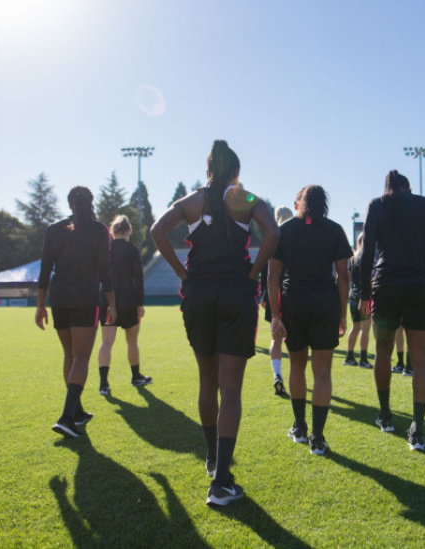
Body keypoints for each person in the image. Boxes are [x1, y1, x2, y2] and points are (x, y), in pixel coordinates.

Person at [150, 140, 278, 506]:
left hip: (199, 295)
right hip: (236, 293)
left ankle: (212, 461)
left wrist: (183, 274)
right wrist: (253, 273)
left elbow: (158, 230)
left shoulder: (194, 200)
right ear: (235, 171)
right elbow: (273, 233)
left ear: (209, 170)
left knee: (207, 381)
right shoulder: (245, 198)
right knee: (231, 388)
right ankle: (221, 482)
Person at [359, 170, 425, 452]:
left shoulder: (377, 205)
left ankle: (385, 416)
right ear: (408, 188)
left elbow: (367, 251)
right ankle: (418, 429)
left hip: (386, 284)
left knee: (382, 352)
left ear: (387, 188)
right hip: (419, 283)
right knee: (420, 358)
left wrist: (363, 293)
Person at [269, 185, 351, 455]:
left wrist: (275, 315)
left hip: (294, 304)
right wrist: (342, 313)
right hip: (325, 304)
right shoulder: (335, 230)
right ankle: (317, 436)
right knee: (323, 372)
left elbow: (272, 277)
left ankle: (300, 427)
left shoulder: (285, 230)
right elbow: (343, 277)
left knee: (297, 367)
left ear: (299, 204)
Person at [36, 186, 116, 439]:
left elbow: (45, 268)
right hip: (84, 298)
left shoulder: (54, 230)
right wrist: (112, 304)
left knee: (70, 354)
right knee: (81, 356)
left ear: (69, 203)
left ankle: (78, 412)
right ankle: (67, 416)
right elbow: (105, 269)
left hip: (58, 298)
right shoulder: (99, 230)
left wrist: (40, 305)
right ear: (91, 202)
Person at [96, 215, 150, 396]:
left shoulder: (105, 249)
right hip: (128, 301)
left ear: (113, 231)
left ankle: (103, 384)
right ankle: (136, 377)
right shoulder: (132, 250)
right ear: (128, 231)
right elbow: (139, 279)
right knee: (132, 341)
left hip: (107, 302)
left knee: (106, 342)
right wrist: (140, 303)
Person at [259, 206, 293, 395]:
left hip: (274, 294)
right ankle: (295, 378)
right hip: (293, 293)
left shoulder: (270, 238)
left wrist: (265, 297)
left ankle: (277, 374)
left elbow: (266, 272)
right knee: (296, 341)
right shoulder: (295, 236)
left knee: (276, 339)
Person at [344, 233, 373, 369]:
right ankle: (363, 358)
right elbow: (369, 279)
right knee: (365, 329)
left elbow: (349, 278)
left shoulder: (352, 258)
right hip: (364, 297)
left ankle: (349, 356)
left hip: (353, 296)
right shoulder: (366, 258)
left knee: (355, 327)